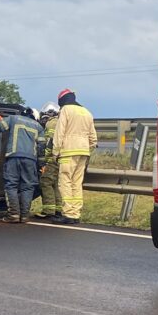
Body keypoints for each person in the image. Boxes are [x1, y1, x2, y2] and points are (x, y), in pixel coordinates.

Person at [52, 89, 97, 224]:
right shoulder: (87, 112)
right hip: (83, 152)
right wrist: (87, 148)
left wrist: (56, 151)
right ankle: (75, 213)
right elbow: (93, 138)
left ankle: (68, 213)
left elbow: (59, 132)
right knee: (77, 183)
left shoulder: (66, 110)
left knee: (65, 182)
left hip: (68, 151)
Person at [0, 112, 45, 223]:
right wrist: (41, 165)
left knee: (11, 185)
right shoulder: (38, 126)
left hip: (14, 157)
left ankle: (14, 214)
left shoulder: (13, 119)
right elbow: (41, 147)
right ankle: (25, 216)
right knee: (28, 187)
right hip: (30, 160)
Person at [34, 102, 61, 218]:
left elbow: (49, 143)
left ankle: (49, 211)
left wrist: (44, 159)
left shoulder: (51, 124)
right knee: (56, 184)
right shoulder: (61, 122)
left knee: (45, 182)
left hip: (52, 159)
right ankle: (59, 210)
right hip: (62, 159)